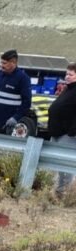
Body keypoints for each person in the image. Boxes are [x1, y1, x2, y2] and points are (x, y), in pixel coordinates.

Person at [48, 63, 76, 193]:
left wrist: (72, 132)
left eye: (71, 74)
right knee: (54, 163)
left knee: (64, 164)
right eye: (67, 74)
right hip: (57, 132)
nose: (67, 76)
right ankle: (56, 191)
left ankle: (63, 192)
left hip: (68, 134)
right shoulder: (67, 89)